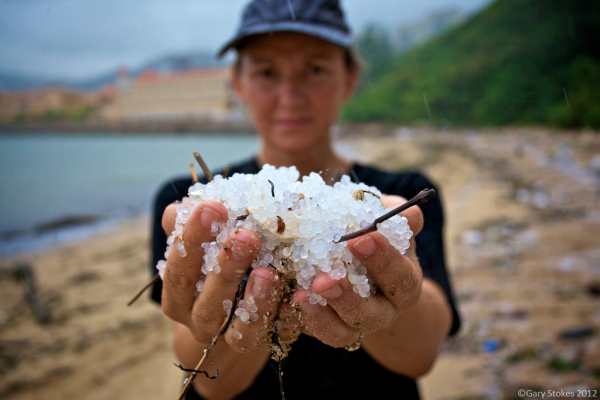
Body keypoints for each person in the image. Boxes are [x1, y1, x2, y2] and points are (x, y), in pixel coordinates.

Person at [150, 1, 460, 398]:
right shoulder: (193, 205)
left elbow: (421, 357)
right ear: (239, 83)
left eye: (315, 70)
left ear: (349, 79)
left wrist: (397, 297)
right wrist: (225, 324)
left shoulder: (396, 193)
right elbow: (212, 383)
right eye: (266, 72)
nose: (290, 95)